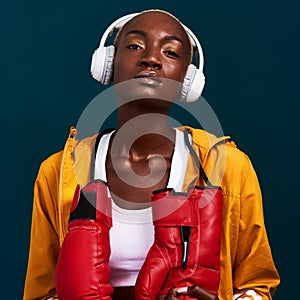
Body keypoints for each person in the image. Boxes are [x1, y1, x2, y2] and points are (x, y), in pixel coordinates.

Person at [23, 9, 280, 300]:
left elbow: (257, 286)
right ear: (108, 64)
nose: (152, 59)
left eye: (170, 52)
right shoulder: (59, 172)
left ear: (187, 79)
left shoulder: (227, 167)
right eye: (134, 46)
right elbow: (40, 291)